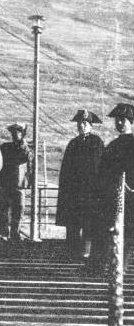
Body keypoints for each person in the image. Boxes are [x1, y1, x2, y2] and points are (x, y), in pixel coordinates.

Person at [90, 103, 134, 271]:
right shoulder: (112, 146)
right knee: (108, 229)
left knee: (128, 232)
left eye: (123, 120)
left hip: (129, 197)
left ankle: (121, 265)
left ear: (130, 122)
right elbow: (103, 171)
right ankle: (104, 263)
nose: (120, 123)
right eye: (118, 120)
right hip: (111, 195)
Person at [56, 110, 104, 259]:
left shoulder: (97, 143)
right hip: (74, 192)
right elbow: (66, 169)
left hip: (90, 192)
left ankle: (86, 251)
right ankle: (71, 252)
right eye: (79, 124)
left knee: (89, 222)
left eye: (85, 123)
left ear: (90, 126)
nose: (81, 126)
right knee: (73, 223)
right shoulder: (73, 143)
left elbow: (100, 168)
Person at [0, 122, 32, 242]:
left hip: (19, 184)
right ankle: (3, 233)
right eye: (13, 132)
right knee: (3, 210)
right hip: (5, 183)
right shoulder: (5, 147)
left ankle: (15, 233)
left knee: (18, 210)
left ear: (22, 134)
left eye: (18, 132)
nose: (15, 135)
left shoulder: (24, 148)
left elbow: (26, 157)